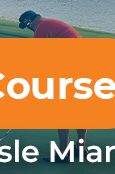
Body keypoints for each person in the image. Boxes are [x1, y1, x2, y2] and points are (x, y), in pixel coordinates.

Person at [19, 10, 87, 162]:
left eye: (28, 25)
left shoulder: (42, 27)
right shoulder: (51, 25)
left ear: (31, 21)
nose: (30, 29)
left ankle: (63, 154)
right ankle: (80, 149)